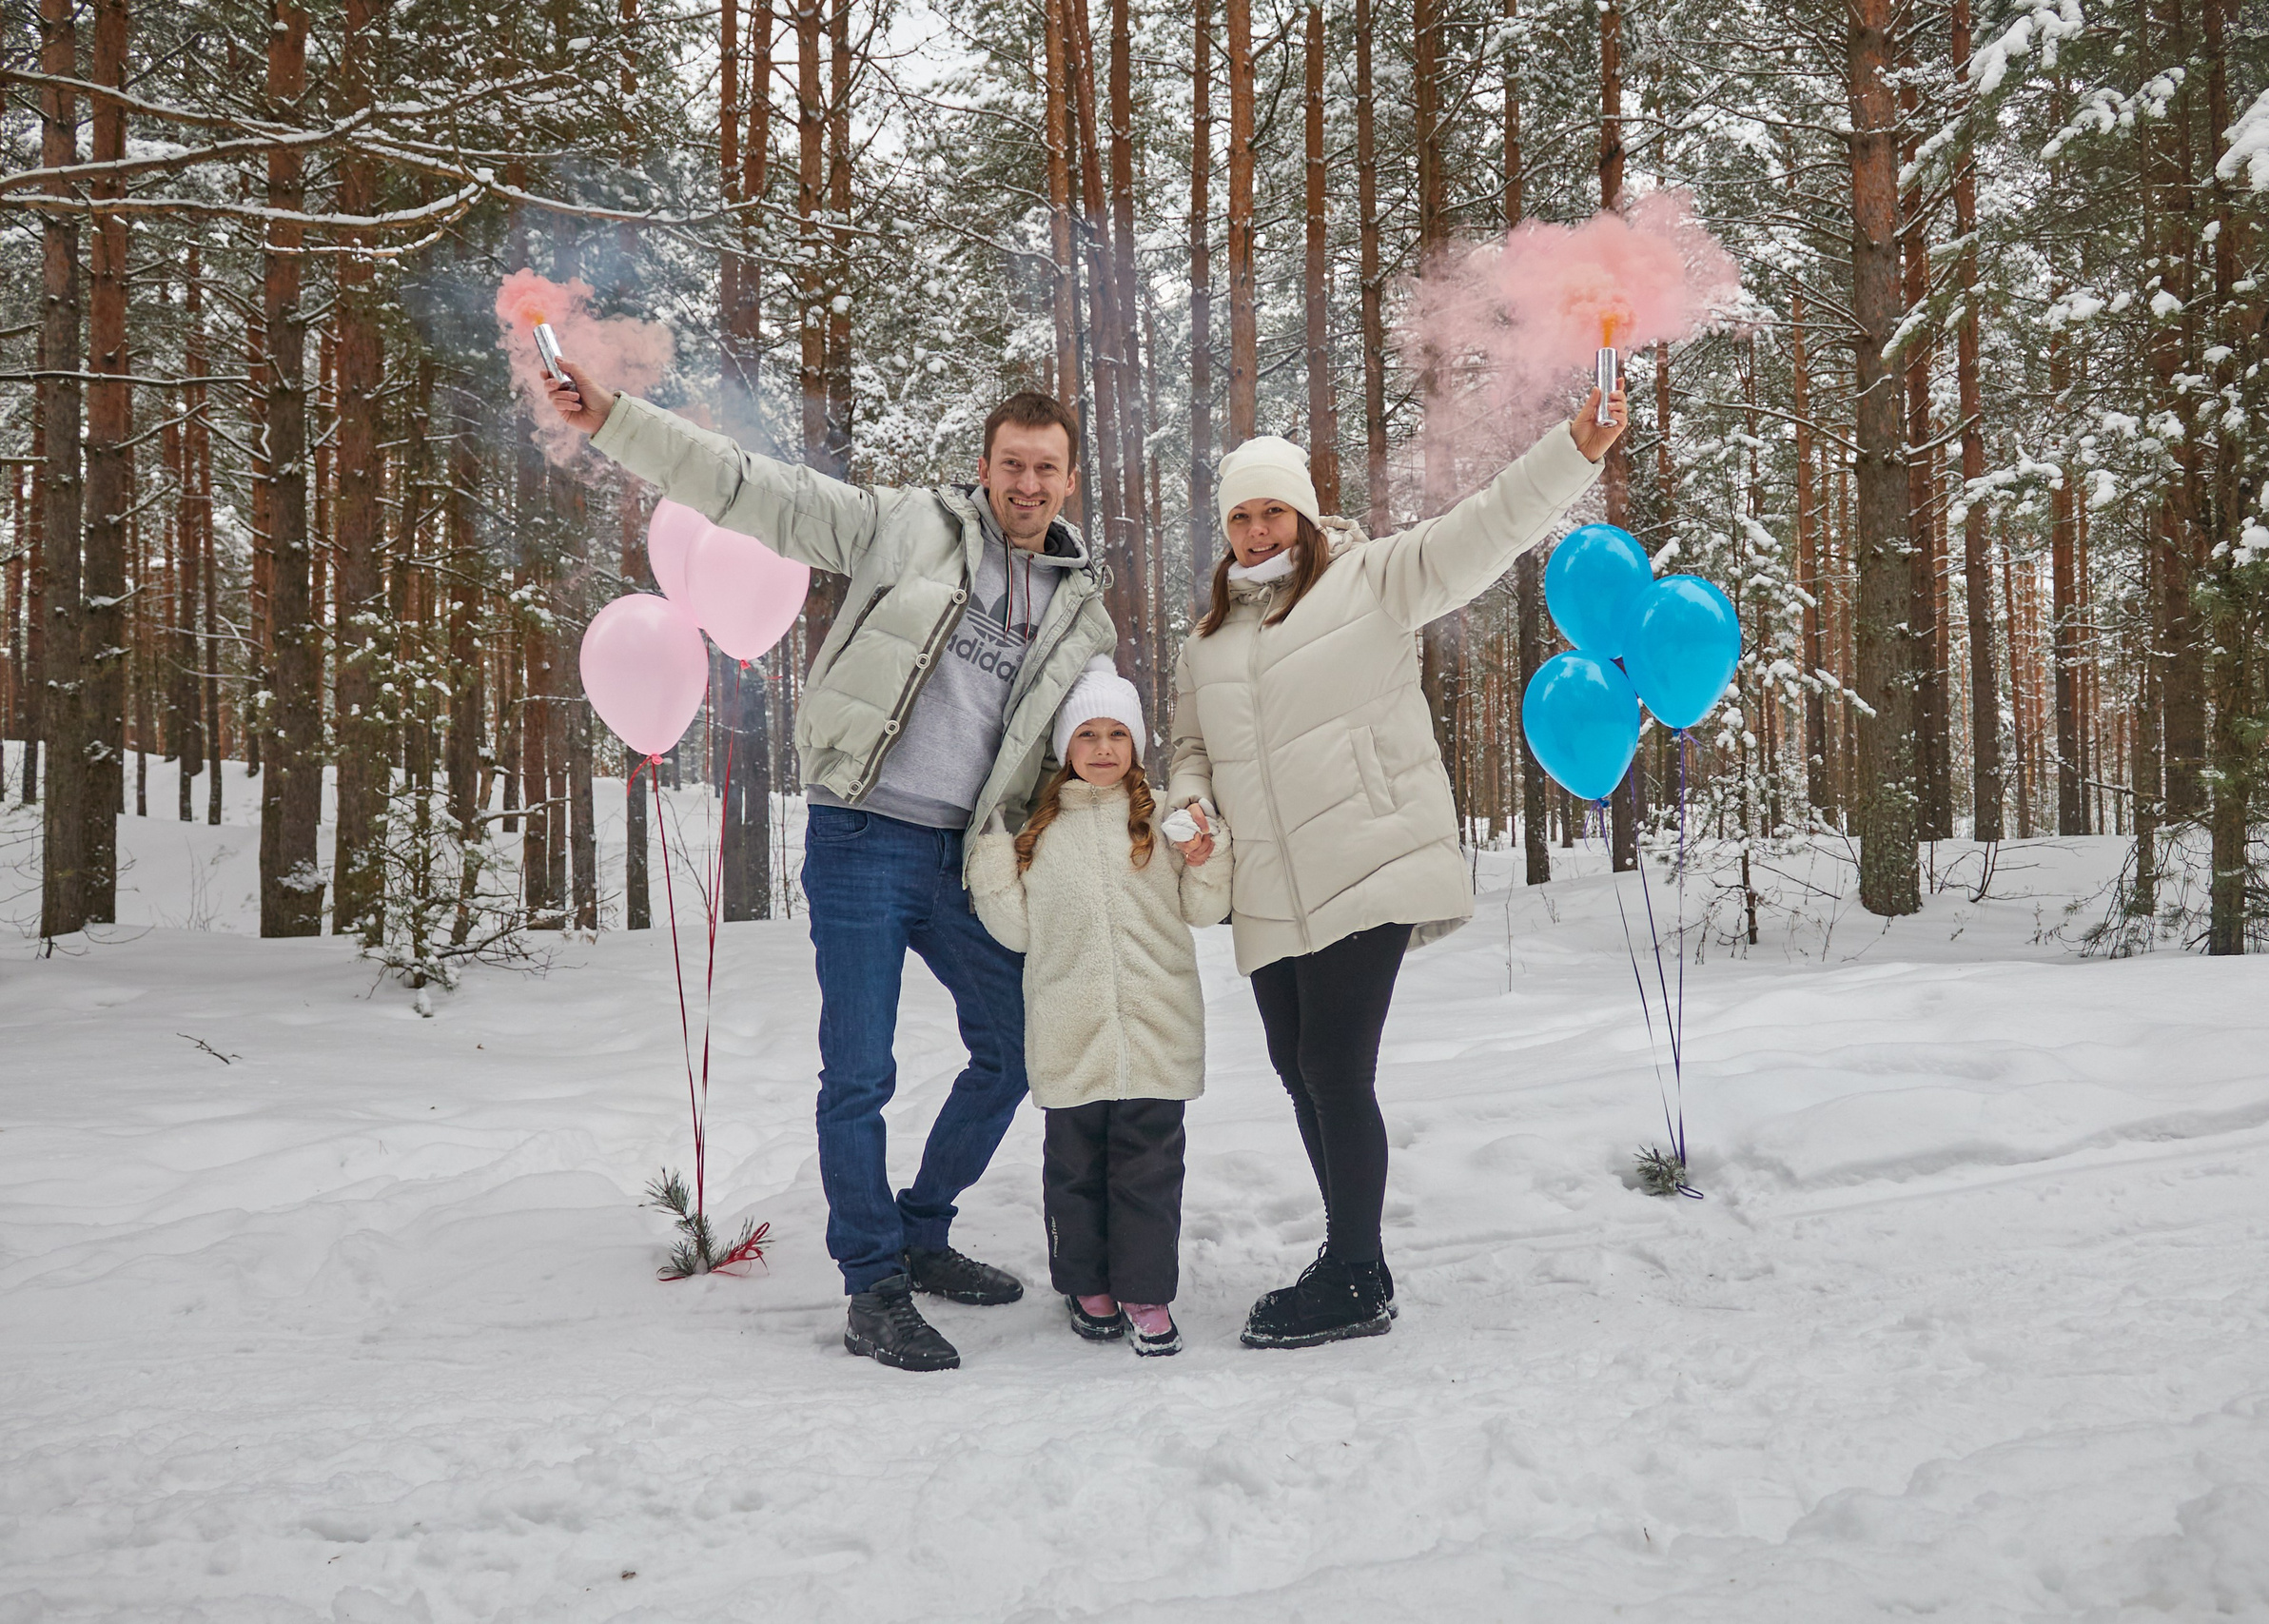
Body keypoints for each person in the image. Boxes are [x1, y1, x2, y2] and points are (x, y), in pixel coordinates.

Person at [543, 360, 1117, 1374]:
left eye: (1047, 469)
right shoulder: (906, 527)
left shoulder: (1080, 613)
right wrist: (617, 420)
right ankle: (873, 1283)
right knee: (859, 1072)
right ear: (982, 468)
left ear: (1070, 480)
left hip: (963, 861)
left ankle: (923, 1231)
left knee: (1016, 1046)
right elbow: (750, 489)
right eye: (1012, 465)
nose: (1028, 485)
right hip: (862, 835)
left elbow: (1085, 741)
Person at [1166, 384, 1628, 1349]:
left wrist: (1573, 450)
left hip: (1365, 856)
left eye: (1270, 511)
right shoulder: (1204, 643)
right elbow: (1189, 753)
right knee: (1301, 1072)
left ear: (1301, 511)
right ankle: (1346, 1257)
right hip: (1267, 885)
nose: (1255, 531)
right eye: (1239, 517)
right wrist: (1190, 810)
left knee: (1335, 1065)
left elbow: (1484, 526)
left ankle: (1357, 1272)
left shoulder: (1373, 578)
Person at [965, 658, 1234, 1357]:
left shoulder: (1163, 818)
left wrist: (1207, 853)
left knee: (1149, 1170)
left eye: (1119, 732)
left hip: (1156, 1029)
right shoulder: (1040, 832)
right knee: (1075, 1170)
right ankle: (1087, 1285)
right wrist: (993, 854)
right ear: (1064, 747)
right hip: (1069, 1030)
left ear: (1138, 743)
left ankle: (1146, 1292)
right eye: (1089, 733)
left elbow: (1206, 907)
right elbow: (1017, 930)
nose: (1105, 747)